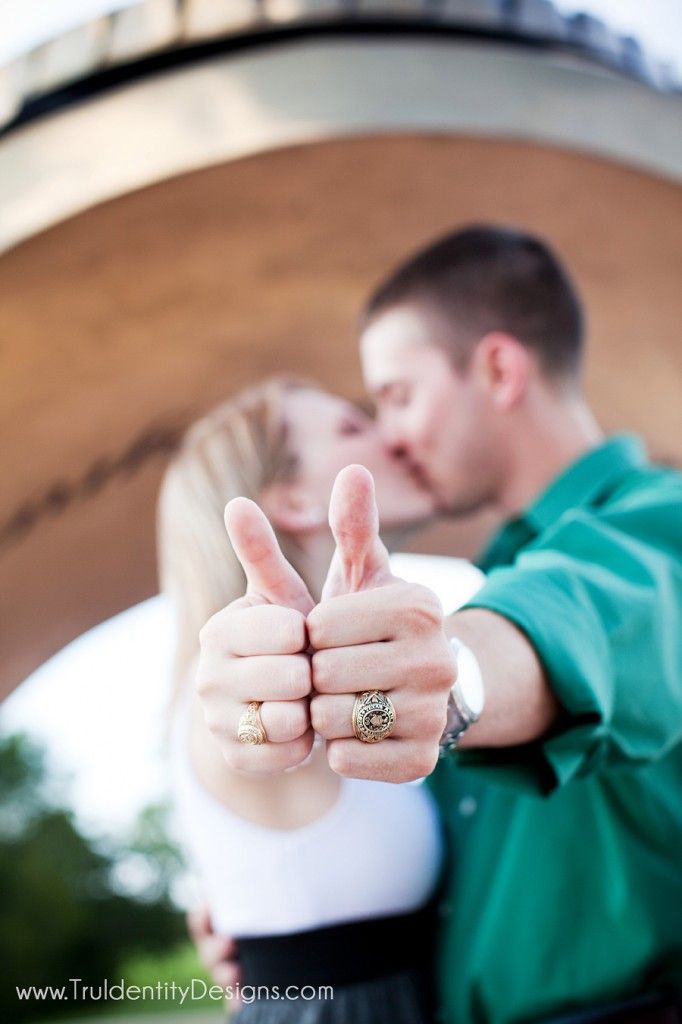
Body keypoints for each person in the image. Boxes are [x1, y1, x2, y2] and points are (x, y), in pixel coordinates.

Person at [195, 226, 682, 1022]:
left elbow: (574, 620)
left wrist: (456, 678)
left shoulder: (663, 527)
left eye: (396, 395)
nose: (388, 436)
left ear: (497, 368)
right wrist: (288, 933)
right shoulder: (492, 578)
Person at [158, 376, 483, 1023]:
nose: (389, 437)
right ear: (298, 499)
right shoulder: (255, 679)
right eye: (352, 428)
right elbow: (242, 728)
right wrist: (253, 720)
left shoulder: (356, 672)